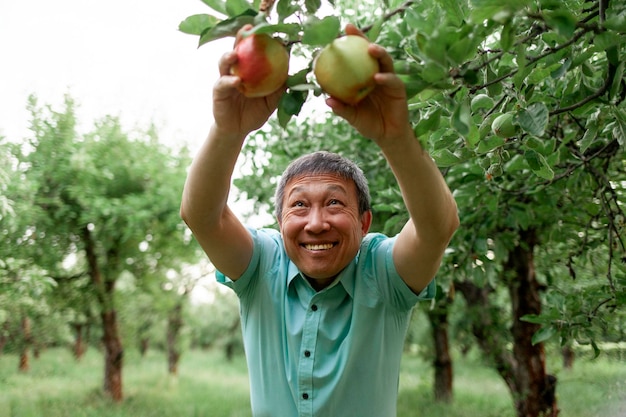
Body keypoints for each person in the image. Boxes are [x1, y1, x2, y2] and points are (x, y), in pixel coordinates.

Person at [180, 23, 459, 417]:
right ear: (279, 222)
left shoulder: (383, 274)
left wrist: (395, 135)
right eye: (298, 206)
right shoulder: (261, 267)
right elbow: (202, 217)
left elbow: (437, 227)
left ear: (364, 224)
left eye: (333, 204)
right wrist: (229, 131)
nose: (315, 223)